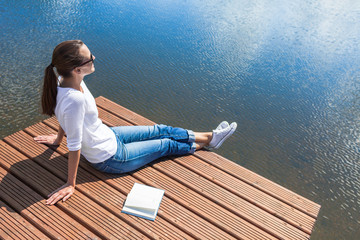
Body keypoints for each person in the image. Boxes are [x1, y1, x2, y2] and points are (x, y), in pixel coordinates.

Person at [34, 40, 237, 206]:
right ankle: (206, 143)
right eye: (90, 57)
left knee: (160, 129)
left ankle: (211, 138)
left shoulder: (66, 81)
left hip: (108, 135)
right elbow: (75, 145)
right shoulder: (74, 98)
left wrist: (58, 137)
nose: (94, 58)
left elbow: (66, 118)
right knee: (165, 144)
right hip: (110, 158)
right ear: (78, 69)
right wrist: (71, 183)